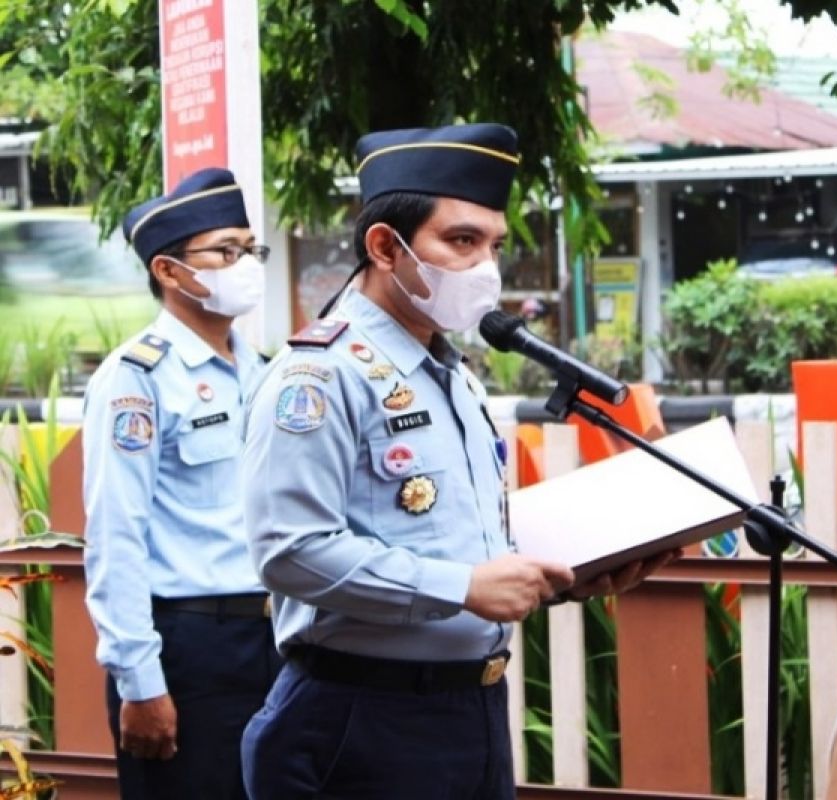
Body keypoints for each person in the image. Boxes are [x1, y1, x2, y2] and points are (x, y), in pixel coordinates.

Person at [239, 123, 674, 799]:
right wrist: (460, 588)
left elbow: (459, 542)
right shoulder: (320, 377)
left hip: (469, 713)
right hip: (358, 719)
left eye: (494, 244)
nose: (486, 267)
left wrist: (568, 573)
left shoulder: (455, 375)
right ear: (385, 245)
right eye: (462, 241)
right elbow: (290, 551)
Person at [81, 167, 282, 800]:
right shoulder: (137, 378)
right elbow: (116, 536)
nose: (244, 264)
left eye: (250, 250)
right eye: (226, 251)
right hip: (190, 649)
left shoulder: (262, 370)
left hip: (276, 640)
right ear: (168, 271)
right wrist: (141, 682)